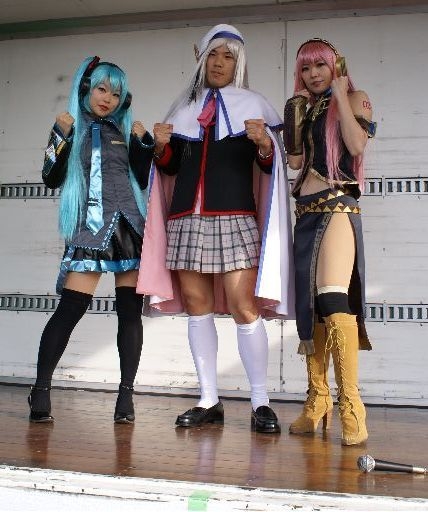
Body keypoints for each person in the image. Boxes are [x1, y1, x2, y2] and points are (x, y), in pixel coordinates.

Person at [137, 24, 295, 433]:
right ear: (201, 58)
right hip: (185, 218)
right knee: (197, 306)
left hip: (235, 216)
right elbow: (171, 167)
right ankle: (208, 399)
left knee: (244, 306)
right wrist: (161, 148)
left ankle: (260, 401)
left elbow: (268, 169)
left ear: (238, 63)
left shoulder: (253, 104)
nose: (219, 63)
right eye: (213, 55)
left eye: (228, 57)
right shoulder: (183, 107)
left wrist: (265, 145)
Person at [28, 56, 154, 424]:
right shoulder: (73, 127)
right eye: (101, 89)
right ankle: (41, 389)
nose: (107, 99)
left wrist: (144, 145)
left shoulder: (124, 130)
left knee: (129, 314)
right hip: (91, 228)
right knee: (70, 309)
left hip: (129, 228)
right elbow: (50, 177)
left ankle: (126, 396)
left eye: (115, 94)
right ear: (85, 89)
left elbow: (142, 179)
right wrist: (60, 135)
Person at [283, 38, 376, 446]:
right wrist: (294, 119)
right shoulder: (306, 107)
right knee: (312, 305)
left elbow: (356, 146)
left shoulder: (354, 98)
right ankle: (318, 398)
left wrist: (339, 94)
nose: (313, 74)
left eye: (319, 65)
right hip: (304, 210)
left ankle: (351, 405)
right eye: (305, 68)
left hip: (338, 203)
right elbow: (295, 162)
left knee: (334, 298)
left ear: (335, 65)